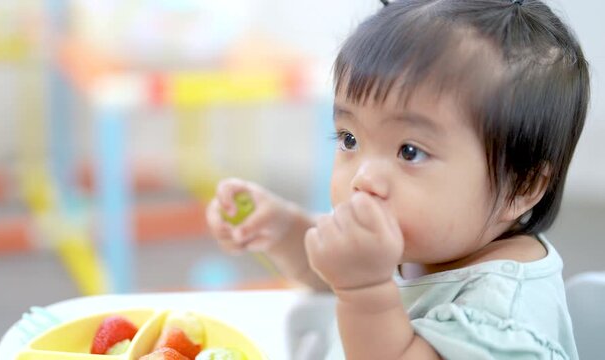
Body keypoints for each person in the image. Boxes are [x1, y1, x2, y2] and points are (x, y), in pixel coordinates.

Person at [205, 0, 589, 358]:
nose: (363, 177)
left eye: (410, 151)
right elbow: (327, 271)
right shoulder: (427, 238)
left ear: (521, 186)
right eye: (349, 139)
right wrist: (281, 227)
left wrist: (365, 290)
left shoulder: (502, 319)